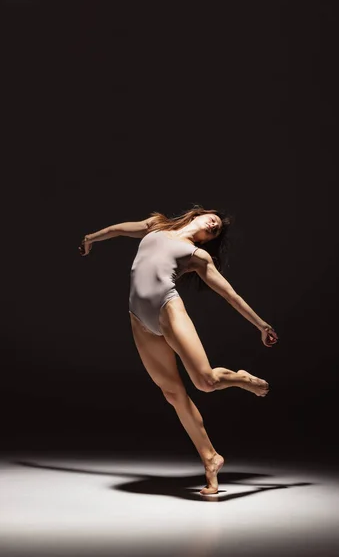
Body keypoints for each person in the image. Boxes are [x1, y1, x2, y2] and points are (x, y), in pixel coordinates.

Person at [79, 205, 278, 495]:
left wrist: (261, 326)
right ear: (197, 214)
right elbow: (118, 229)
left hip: (166, 309)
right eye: (212, 218)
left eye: (217, 229)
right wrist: (92, 237)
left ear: (208, 240)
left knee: (205, 382)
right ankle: (210, 458)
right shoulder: (156, 226)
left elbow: (230, 294)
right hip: (138, 318)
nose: (215, 224)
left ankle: (241, 379)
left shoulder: (197, 256)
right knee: (172, 394)